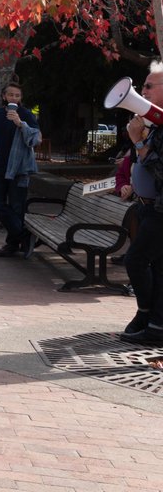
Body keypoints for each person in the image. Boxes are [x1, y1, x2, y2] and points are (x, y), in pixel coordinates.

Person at [119, 63, 163, 344]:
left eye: (148, 86)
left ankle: (146, 314)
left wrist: (138, 142)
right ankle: (155, 324)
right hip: (150, 207)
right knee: (158, 266)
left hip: (160, 211)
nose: (141, 90)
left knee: (135, 259)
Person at [0, 81, 42, 257]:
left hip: (19, 169)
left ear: (20, 98)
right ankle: (24, 234)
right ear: (4, 97)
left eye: (17, 95)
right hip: (0, 167)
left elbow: (36, 139)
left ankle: (12, 244)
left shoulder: (26, 115)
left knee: (16, 207)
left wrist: (20, 123)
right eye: (11, 95)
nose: (14, 98)